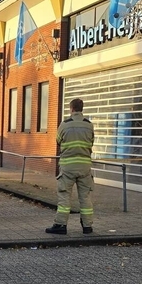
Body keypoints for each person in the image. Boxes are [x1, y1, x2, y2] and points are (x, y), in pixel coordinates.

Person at [46, 99, 95, 235]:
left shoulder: (64, 125)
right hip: (85, 167)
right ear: (81, 109)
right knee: (85, 197)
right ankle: (87, 226)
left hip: (68, 166)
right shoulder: (89, 125)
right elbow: (91, 142)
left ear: (71, 109)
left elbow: (58, 141)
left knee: (64, 195)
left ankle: (61, 225)